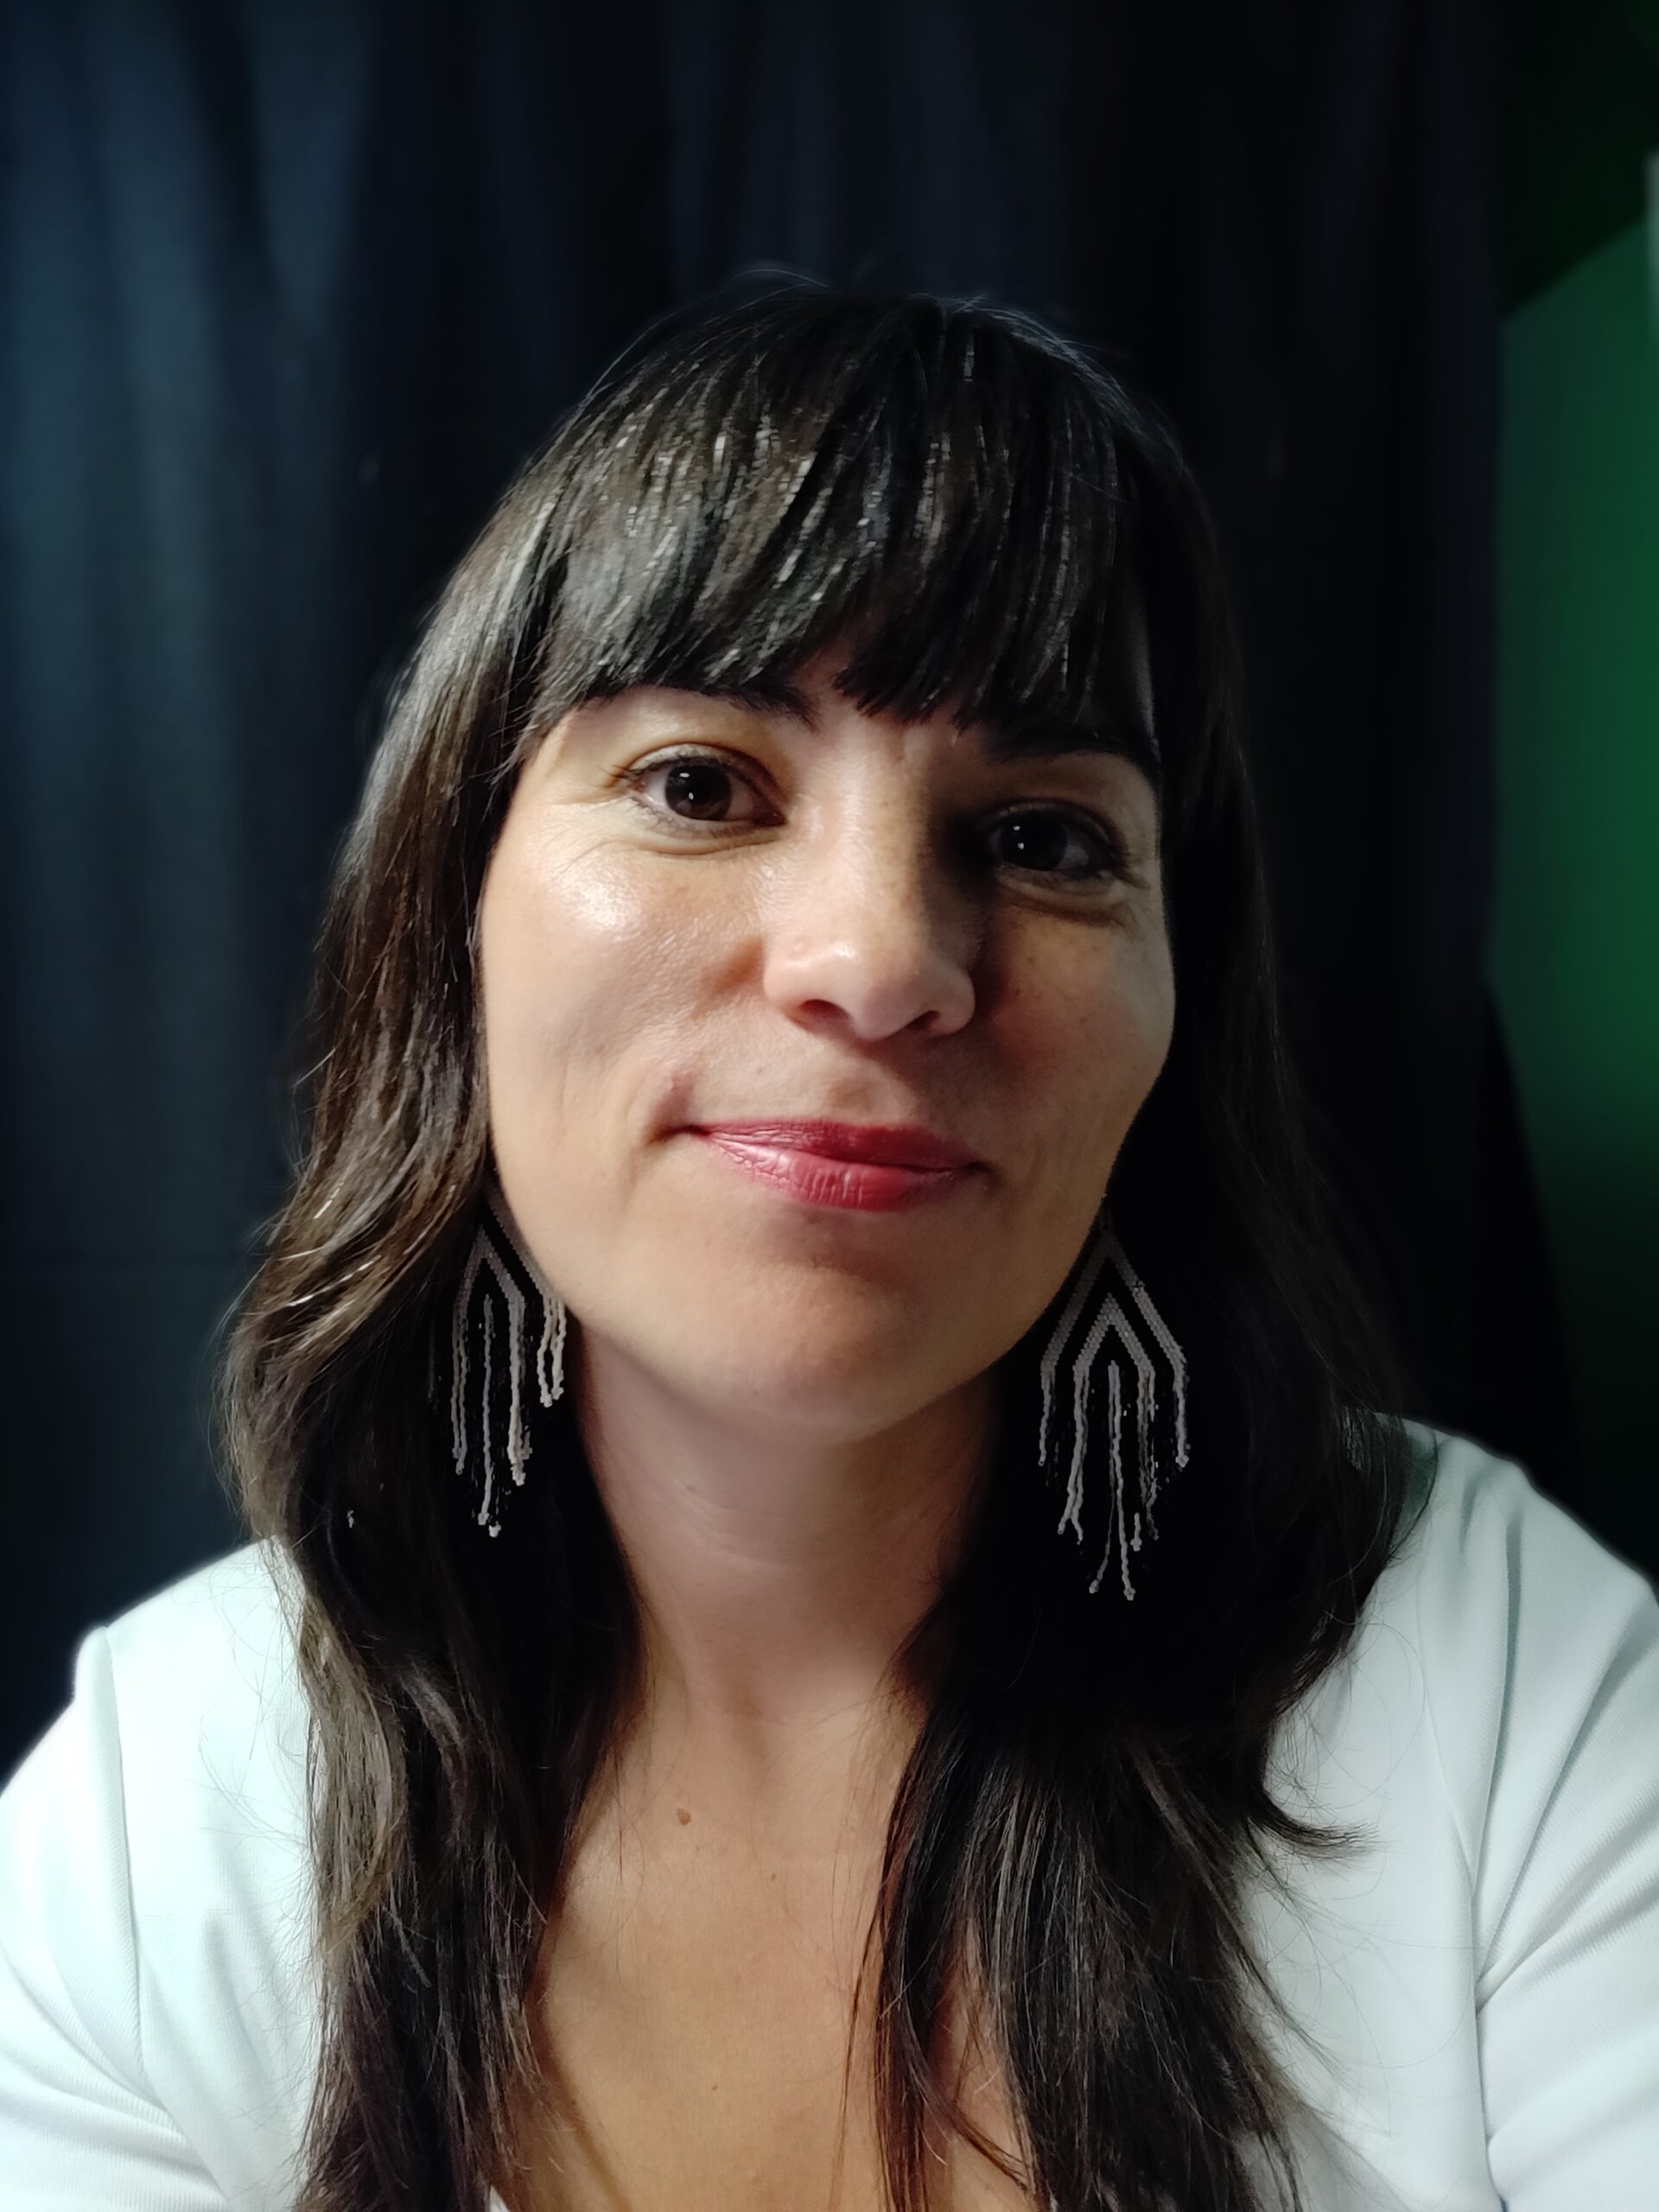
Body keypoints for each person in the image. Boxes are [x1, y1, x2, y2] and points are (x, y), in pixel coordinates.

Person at [1, 285, 1656, 2212]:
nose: (877, 961)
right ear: (453, 921)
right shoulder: (156, 1830)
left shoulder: (1499, 1675)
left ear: (1170, 1021)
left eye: (1043, 839)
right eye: (701, 785)